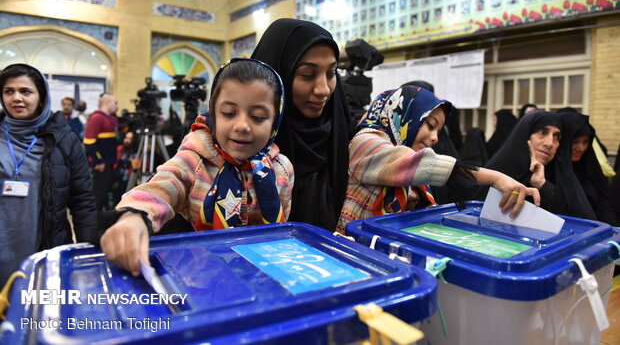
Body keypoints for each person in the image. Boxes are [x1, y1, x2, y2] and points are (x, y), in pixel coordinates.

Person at [101, 58, 294, 275]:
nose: (242, 126)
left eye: (258, 117)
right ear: (213, 112)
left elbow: (281, 231)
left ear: (275, 120)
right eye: (229, 113)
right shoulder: (195, 160)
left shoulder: (282, 169)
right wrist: (135, 217)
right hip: (200, 277)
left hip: (260, 277)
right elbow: (164, 185)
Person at [336, 87, 539, 233]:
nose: (435, 138)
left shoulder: (412, 174)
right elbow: (420, 164)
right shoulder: (365, 144)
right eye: (430, 125)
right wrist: (496, 178)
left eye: (439, 131)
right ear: (403, 116)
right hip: (348, 253)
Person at [0, 63, 96, 286]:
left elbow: (82, 201)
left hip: (45, 252)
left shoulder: (64, 140)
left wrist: (88, 255)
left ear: (41, 98)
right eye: (9, 91)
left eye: (26, 91)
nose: (16, 98)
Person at [251, 19, 351, 231]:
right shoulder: (237, 144)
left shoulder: (344, 137)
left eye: (332, 73)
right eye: (307, 75)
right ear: (277, 76)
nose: (323, 89)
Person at [482, 111, 596, 219]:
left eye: (556, 137)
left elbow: (583, 219)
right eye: (542, 133)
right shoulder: (495, 174)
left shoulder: (556, 175)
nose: (549, 143)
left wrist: (543, 185)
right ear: (525, 136)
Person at [558, 111, 618, 225]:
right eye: (575, 142)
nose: (580, 148)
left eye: (585, 142)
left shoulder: (589, 167)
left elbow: (603, 203)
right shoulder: (549, 173)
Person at [84, 93, 119, 212]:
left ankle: (102, 222)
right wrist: (99, 161)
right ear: (107, 103)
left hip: (108, 164)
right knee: (98, 195)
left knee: (104, 194)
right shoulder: (97, 118)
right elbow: (89, 142)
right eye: (115, 103)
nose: (117, 106)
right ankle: (94, 224)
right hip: (101, 165)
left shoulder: (109, 118)